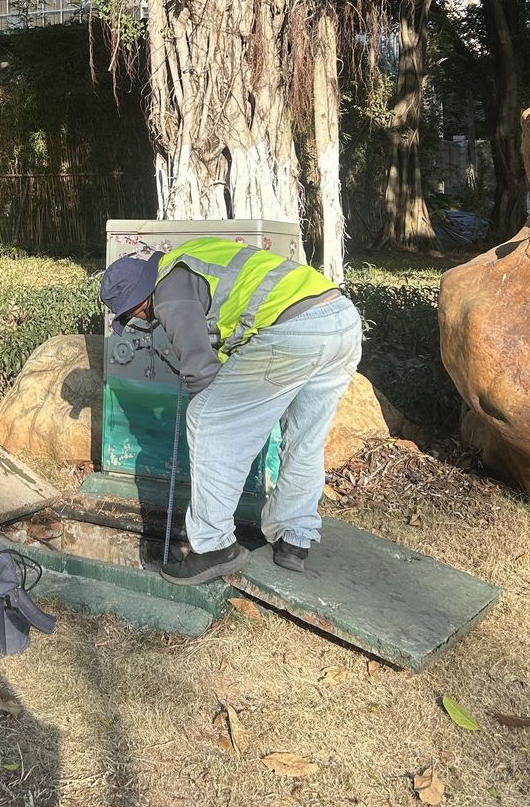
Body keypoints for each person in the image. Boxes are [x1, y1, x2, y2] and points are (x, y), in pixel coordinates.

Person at [100, 237, 361, 585]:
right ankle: (294, 537)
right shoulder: (190, 260)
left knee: (206, 420)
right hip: (339, 318)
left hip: (292, 329)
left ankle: (213, 546)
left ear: (139, 299)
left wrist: (211, 413)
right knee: (305, 437)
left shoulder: (168, 292)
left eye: (131, 315)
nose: (138, 321)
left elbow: (201, 371)